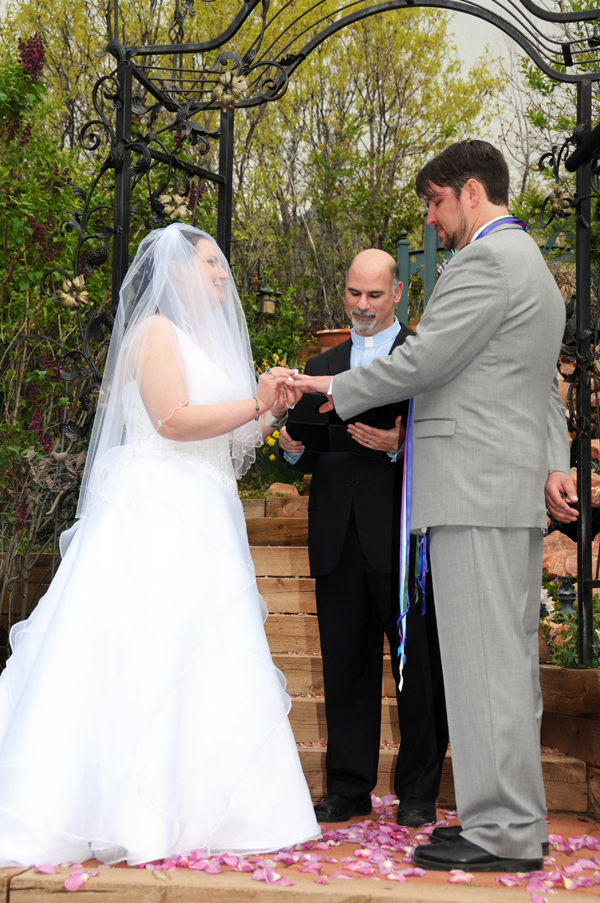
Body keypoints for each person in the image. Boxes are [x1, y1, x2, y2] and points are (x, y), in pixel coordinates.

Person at [292, 140, 577, 873]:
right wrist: (554, 462)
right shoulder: (535, 271)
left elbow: (427, 359)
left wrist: (328, 387)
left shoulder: (485, 262)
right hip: (500, 490)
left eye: (435, 202)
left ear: (471, 192)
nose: (431, 218)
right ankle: (516, 819)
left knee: (483, 665)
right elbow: (539, 384)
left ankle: (499, 831)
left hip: (474, 493)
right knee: (502, 665)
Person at [0, 223, 319, 867]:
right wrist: (248, 403)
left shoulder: (208, 341)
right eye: (212, 264)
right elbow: (172, 419)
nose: (224, 275)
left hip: (205, 508)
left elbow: (231, 444)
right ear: (176, 270)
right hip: (155, 509)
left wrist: (267, 412)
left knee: (208, 654)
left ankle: (208, 809)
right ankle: (123, 809)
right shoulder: (153, 335)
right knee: (144, 649)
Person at [279, 249, 448, 827]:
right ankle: (348, 788)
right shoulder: (322, 362)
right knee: (344, 669)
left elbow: (448, 439)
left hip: (402, 539)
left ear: (397, 294)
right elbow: (304, 443)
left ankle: (419, 791)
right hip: (336, 536)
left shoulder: (422, 358)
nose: (362, 306)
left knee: (418, 669)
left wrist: (399, 448)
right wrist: (292, 449)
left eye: (375, 295)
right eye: (354, 293)